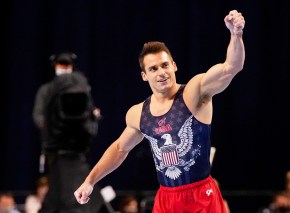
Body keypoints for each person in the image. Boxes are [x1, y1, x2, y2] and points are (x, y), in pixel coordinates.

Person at [74, 9, 245, 213]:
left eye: (165, 65)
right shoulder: (139, 114)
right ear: (144, 76)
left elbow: (230, 67)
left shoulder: (195, 92)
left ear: (174, 66)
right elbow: (120, 149)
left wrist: (236, 34)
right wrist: (90, 181)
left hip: (201, 196)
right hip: (166, 199)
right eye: (153, 69)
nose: (161, 72)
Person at [32, 51, 108, 213]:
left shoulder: (82, 90)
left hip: (77, 151)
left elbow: (89, 115)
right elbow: (39, 118)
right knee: (59, 192)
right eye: (61, 64)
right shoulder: (47, 90)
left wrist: (92, 118)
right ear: (55, 66)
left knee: (73, 192)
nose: (64, 68)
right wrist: (53, 126)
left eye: (67, 65)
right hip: (56, 151)